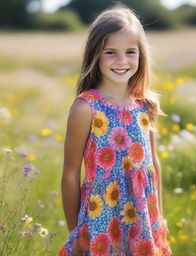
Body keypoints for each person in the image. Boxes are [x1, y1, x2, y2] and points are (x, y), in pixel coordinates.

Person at [58, 3, 173, 256]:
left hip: (143, 220)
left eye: (130, 52)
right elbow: (70, 173)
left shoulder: (146, 105)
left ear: (141, 55)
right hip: (100, 221)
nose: (122, 61)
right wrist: (75, 232)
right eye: (111, 52)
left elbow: (153, 165)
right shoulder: (86, 108)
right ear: (95, 55)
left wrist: (159, 218)